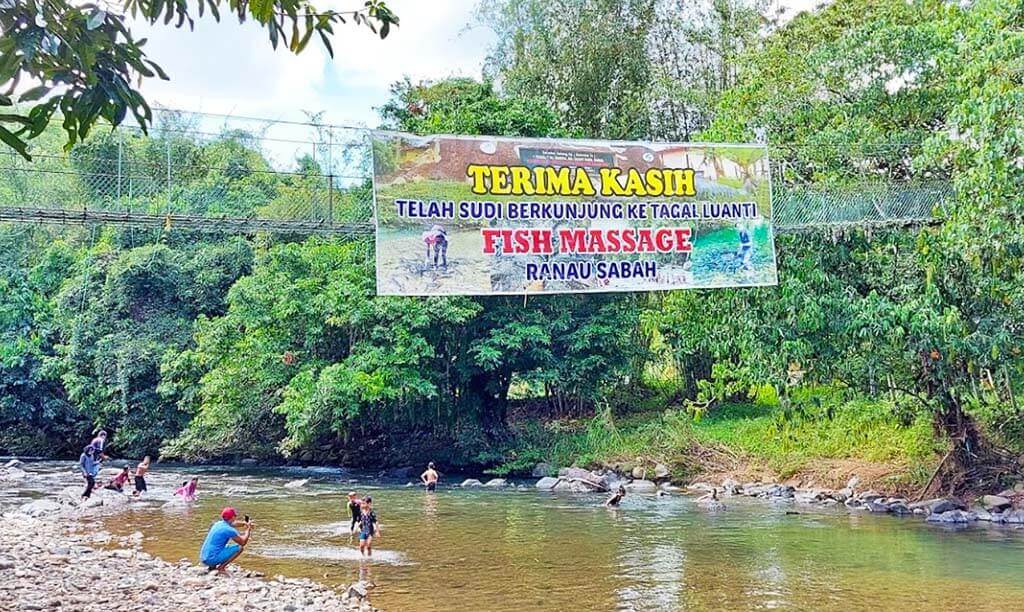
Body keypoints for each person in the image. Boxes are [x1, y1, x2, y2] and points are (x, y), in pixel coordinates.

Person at [199, 507, 253, 573]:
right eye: (235, 516)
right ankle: (221, 567)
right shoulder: (229, 530)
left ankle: (212, 566)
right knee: (239, 548)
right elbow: (243, 542)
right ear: (233, 517)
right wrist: (248, 530)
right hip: (210, 559)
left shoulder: (218, 524)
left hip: (203, 557)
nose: (236, 517)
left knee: (223, 546)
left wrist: (245, 523)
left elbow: (233, 524)